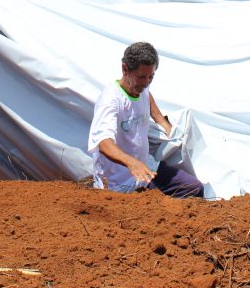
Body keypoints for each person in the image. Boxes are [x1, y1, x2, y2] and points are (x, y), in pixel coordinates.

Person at [87, 41, 204, 198]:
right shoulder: (110, 100)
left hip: (147, 169)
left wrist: (161, 120)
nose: (146, 82)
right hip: (118, 183)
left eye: (151, 77)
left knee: (194, 188)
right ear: (125, 69)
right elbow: (104, 143)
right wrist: (132, 163)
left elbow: (147, 96)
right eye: (141, 77)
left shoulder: (142, 87)